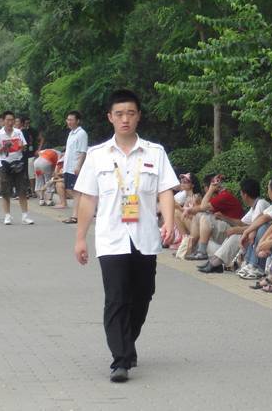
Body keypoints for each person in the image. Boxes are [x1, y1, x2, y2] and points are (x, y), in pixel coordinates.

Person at [73, 89, 178, 383]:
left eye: (130, 113)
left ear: (138, 116)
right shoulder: (97, 156)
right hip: (111, 237)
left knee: (143, 295)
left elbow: (165, 191)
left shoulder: (155, 153)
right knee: (117, 297)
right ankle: (120, 360)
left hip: (145, 236)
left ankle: (127, 342)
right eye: (119, 114)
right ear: (110, 117)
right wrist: (80, 238)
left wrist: (168, 221)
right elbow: (87, 200)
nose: (125, 119)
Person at [196, 178, 269, 273]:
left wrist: (236, 230)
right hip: (255, 239)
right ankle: (214, 261)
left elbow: (256, 227)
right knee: (235, 233)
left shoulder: (261, 204)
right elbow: (242, 223)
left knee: (236, 235)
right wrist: (224, 218)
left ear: (244, 194)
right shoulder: (254, 206)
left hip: (260, 239)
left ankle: (215, 262)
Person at [236, 175, 272, 279]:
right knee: (257, 227)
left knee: (262, 227)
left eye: (268, 188)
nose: (267, 191)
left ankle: (257, 266)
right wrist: (250, 230)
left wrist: (247, 231)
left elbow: (264, 219)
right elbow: (261, 216)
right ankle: (249, 263)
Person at [184, 173, 244, 261]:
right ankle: (191, 248)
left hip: (233, 230)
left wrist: (210, 190)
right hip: (228, 228)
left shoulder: (224, 196)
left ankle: (202, 252)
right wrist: (190, 210)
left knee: (205, 218)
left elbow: (203, 206)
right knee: (199, 215)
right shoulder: (220, 196)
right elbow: (201, 208)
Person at [0, 111, 34, 225]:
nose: (10, 122)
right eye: (8, 120)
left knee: (22, 190)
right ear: (3, 121)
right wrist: (4, 148)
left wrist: (20, 146)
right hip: (4, 164)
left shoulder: (18, 132)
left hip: (18, 163)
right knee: (5, 191)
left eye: (12, 120)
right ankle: (7, 216)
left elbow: (24, 146)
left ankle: (25, 216)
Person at [61, 110, 88, 223]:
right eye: (68, 119)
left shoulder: (81, 133)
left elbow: (83, 151)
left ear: (78, 121)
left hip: (75, 166)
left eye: (71, 120)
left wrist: (78, 166)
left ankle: (76, 215)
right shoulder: (71, 133)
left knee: (76, 191)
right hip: (68, 166)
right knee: (70, 189)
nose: (69, 122)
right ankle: (80, 212)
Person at [19, 115, 41, 197]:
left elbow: (41, 138)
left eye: (28, 123)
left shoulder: (32, 130)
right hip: (22, 155)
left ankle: (33, 191)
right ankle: (26, 190)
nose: (27, 125)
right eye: (25, 123)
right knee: (24, 173)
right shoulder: (18, 132)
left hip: (31, 153)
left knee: (31, 173)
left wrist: (38, 149)